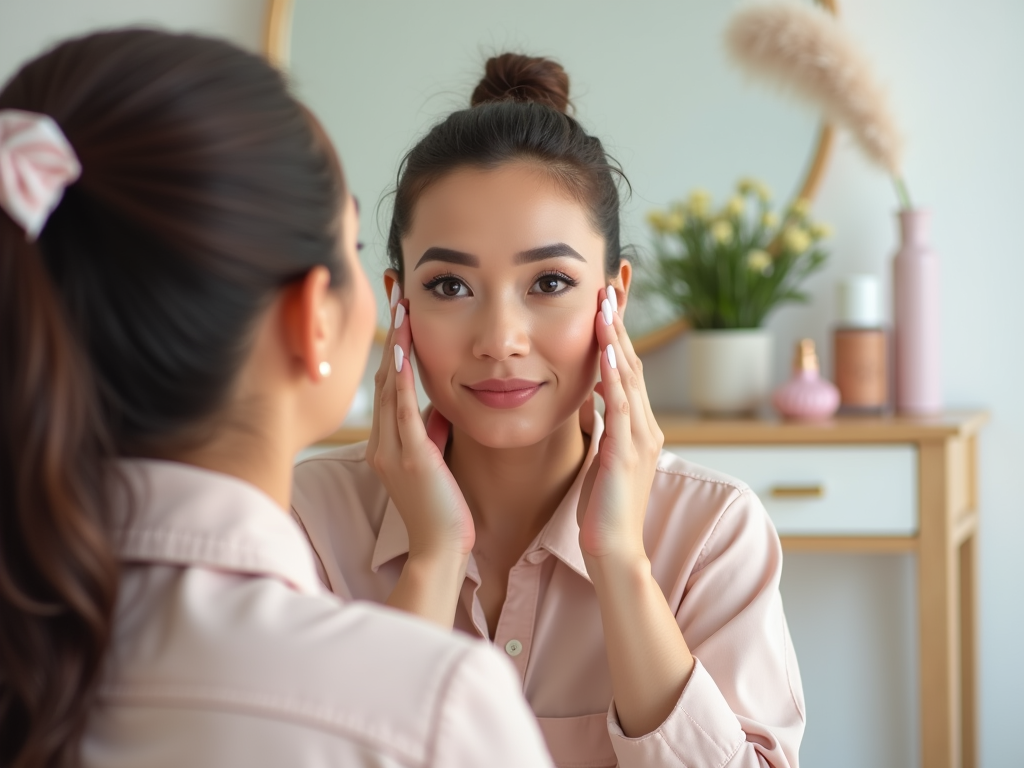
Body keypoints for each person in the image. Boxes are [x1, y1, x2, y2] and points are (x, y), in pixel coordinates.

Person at [0, 31, 554, 768]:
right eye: (354, 251)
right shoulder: (435, 712)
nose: (500, 340)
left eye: (548, 282)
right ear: (312, 317)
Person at [291, 53, 806, 768]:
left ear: (614, 297)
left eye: (551, 281)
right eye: (449, 287)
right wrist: (434, 559)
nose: (501, 341)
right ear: (397, 302)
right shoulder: (310, 524)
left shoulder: (713, 532)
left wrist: (622, 563)